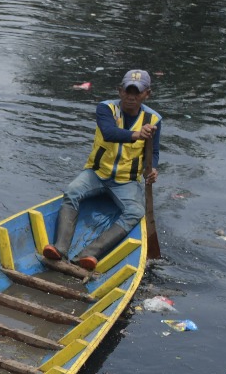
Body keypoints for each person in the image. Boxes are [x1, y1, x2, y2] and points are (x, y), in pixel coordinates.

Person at [44, 69, 162, 270]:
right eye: (127, 91)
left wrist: (152, 170)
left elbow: (155, 151)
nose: (131, 97)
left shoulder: (154, 120)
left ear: (147, 94)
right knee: (72, 192)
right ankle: (60, 248)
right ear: (119, 91)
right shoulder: (106, 108)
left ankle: (90, 253)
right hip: (97, 173)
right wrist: (137, 134)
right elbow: (109, 133)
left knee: (136, 211)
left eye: (137, 92)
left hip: (126, 181)